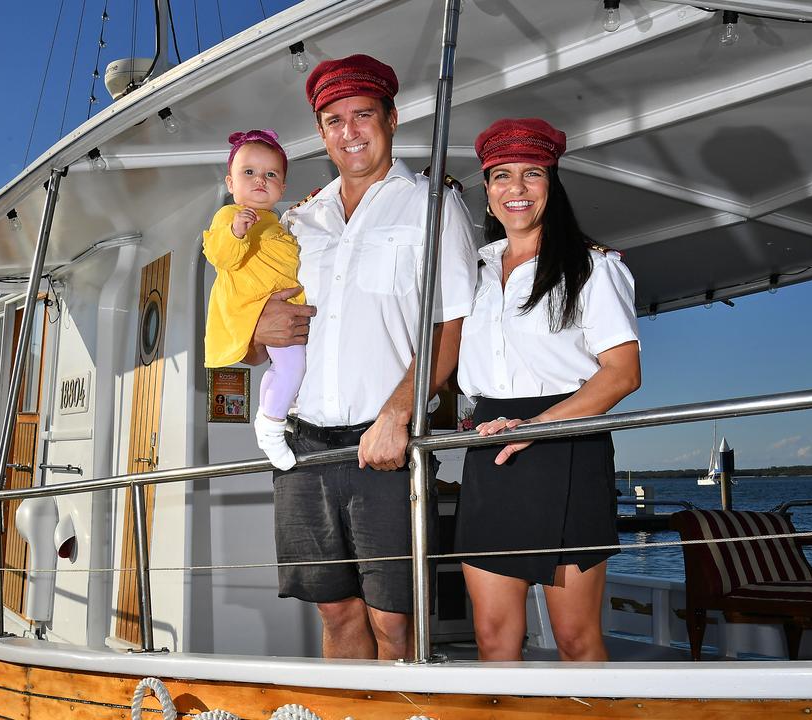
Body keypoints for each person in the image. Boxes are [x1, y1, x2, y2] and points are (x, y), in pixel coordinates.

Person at [244, 54, 478, 660]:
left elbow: (451, 327)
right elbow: (251, 342)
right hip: (304, 444)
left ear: (392, 119)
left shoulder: (432, 204)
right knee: (336, 609)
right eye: (334, 119)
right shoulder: (297, 222)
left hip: (388, 445)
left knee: (394, 619)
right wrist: (256, 331)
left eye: (363, 115)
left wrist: (398, 415)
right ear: (321, 134)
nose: (350, 131)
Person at [454, 118, 642, 662]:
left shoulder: (593, 267)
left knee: (575, 638)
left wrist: (538, 428)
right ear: (487, 194)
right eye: (501, 177)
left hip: (566, 442)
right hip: (491, 448)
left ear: (551, 186)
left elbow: (623, 373)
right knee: (492, 637)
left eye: (531, 174)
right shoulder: (473, 273)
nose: (516, 188)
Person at [202, 129, 304, 470]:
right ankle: (271, 427)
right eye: (249, 172)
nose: (260, 180)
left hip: (279, 309)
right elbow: (220, 256)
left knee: (286, 367)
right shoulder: (229, 217)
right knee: (292, 366)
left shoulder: (276, 224)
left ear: (282, 188)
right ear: (230, 183)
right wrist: (235, 232)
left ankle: (271, 414)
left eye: (270, 174)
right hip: (252, 309)